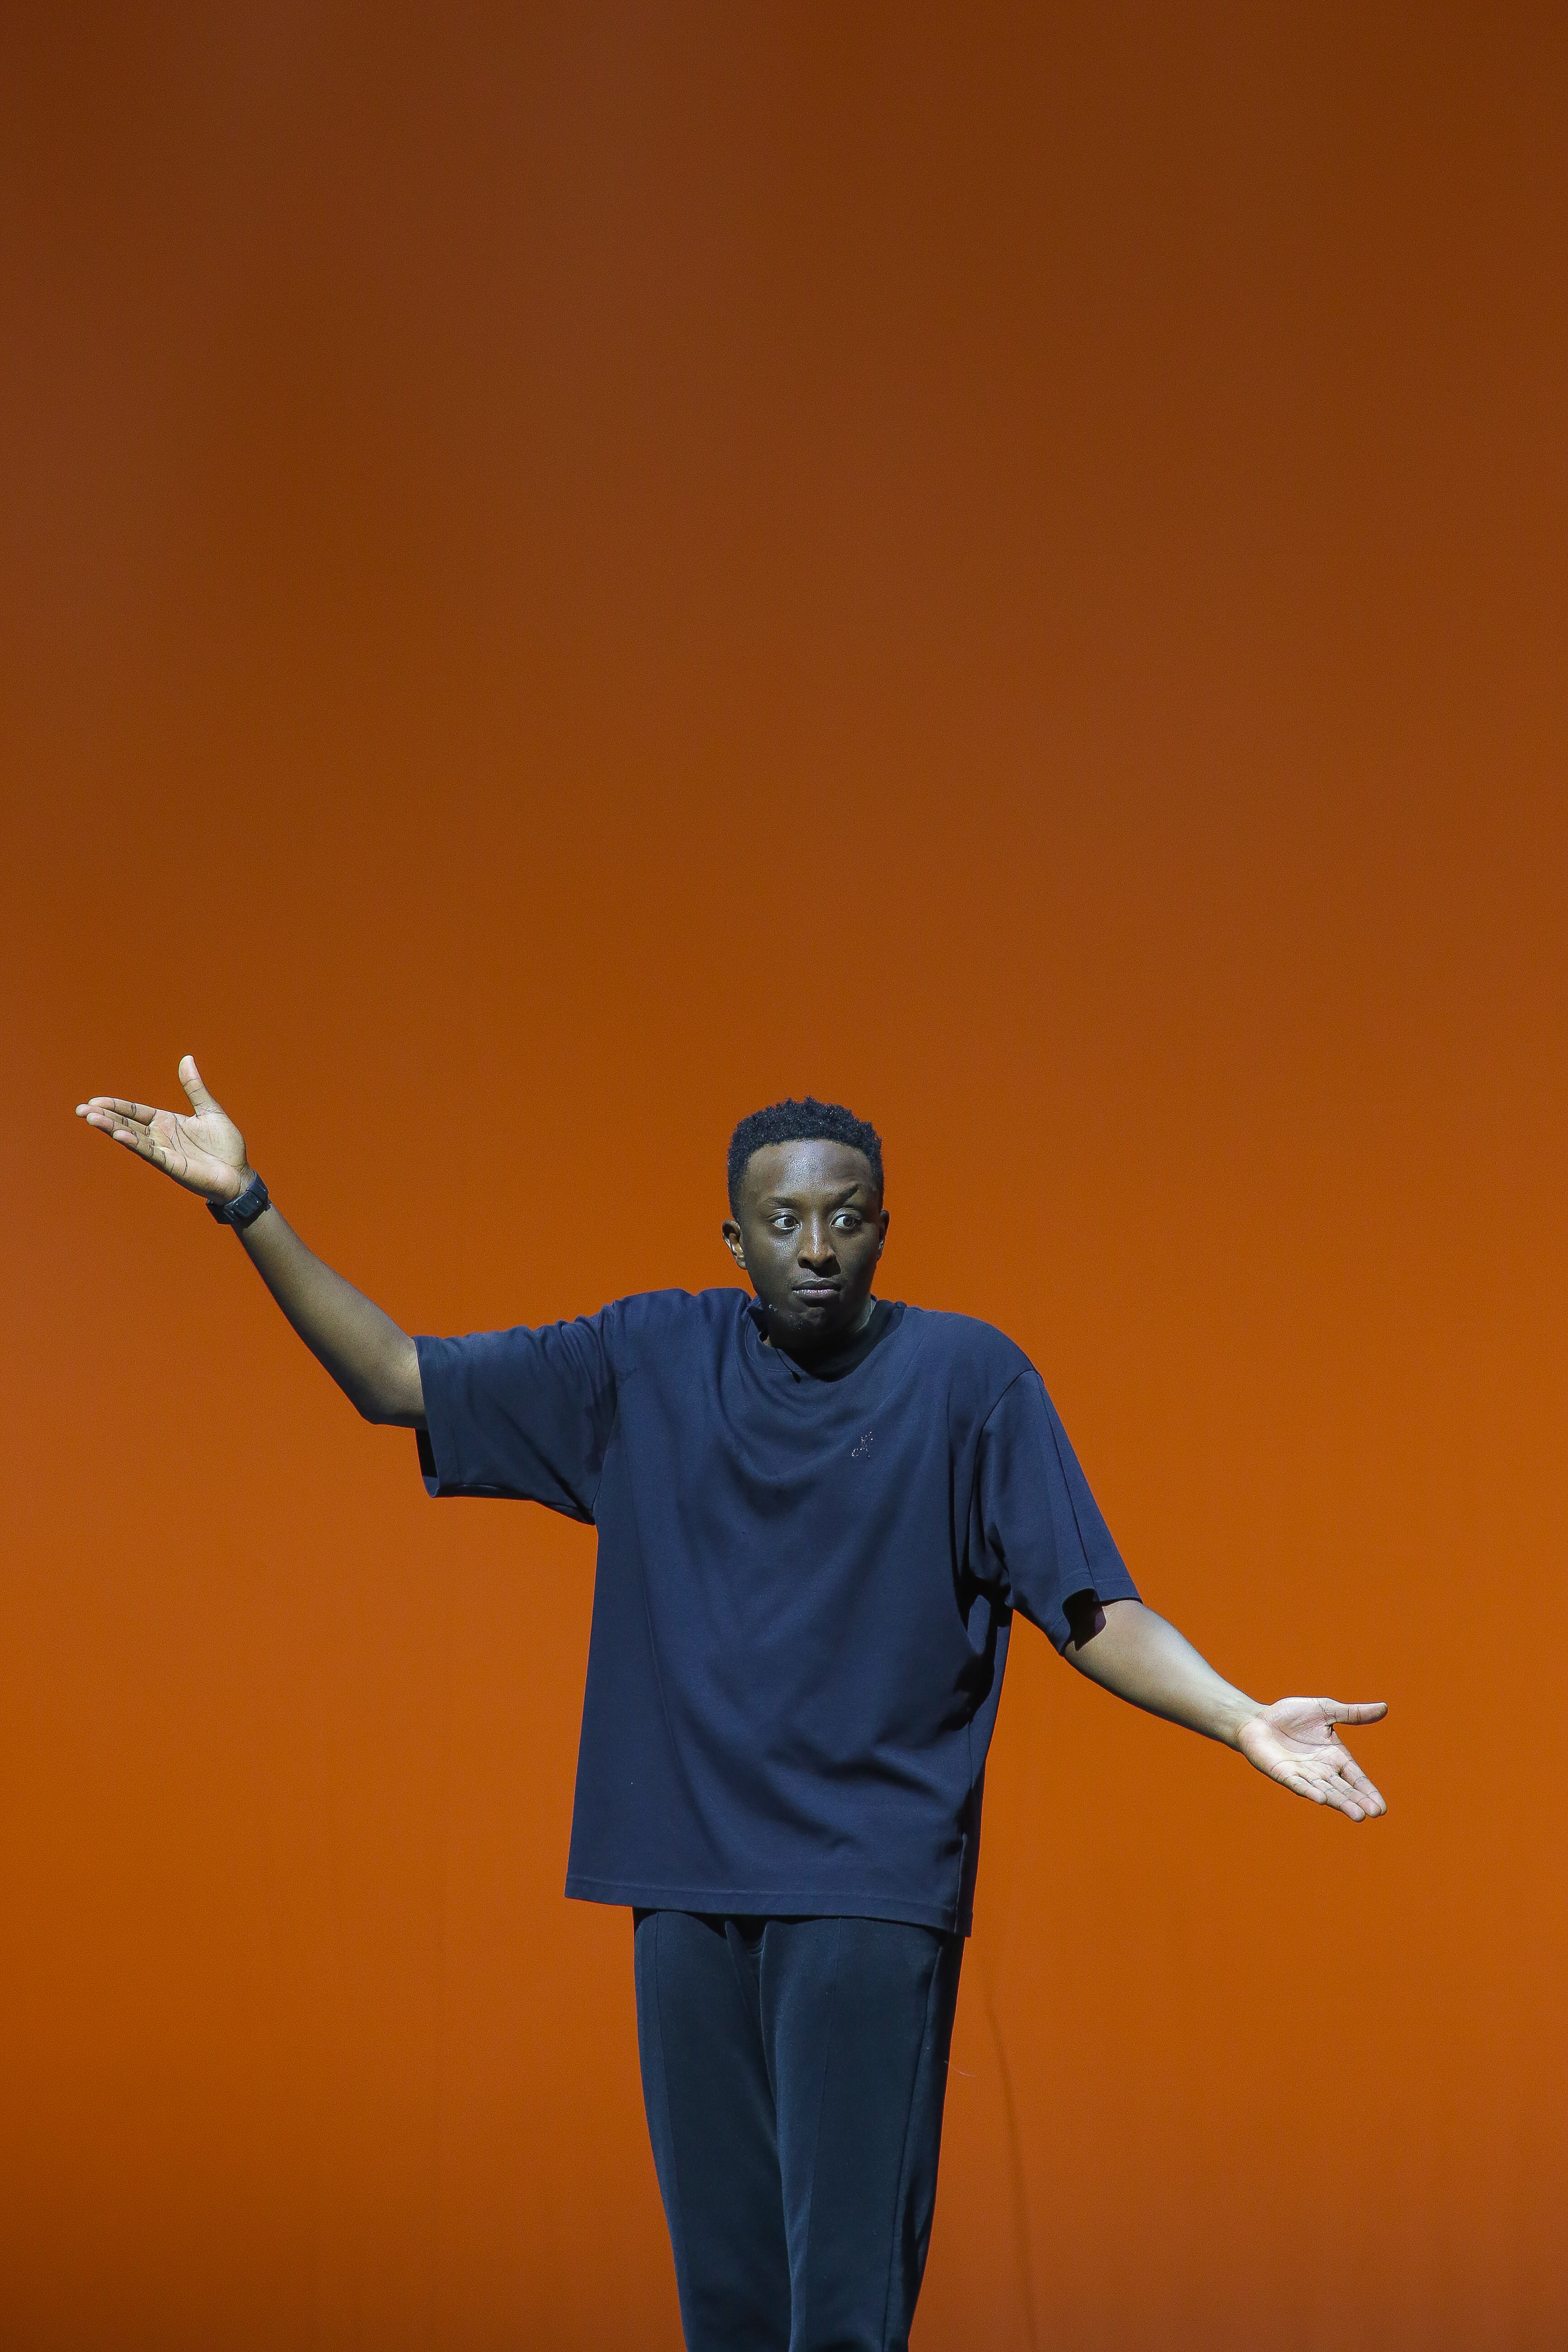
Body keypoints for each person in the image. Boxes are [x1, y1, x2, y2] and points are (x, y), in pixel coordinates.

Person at [77, 1060, 1387, 2352]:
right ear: (732, 1237)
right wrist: (247, 1205)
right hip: (686, 1886)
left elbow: (1089, 1606)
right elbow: (395, 1379)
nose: (815, 1248)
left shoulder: (965, 1378)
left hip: (865, 1886)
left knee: (843, 2311)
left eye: (845, 1217)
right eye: (783, 1220)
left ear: (883, 1226)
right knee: (730, 2309)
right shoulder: (646, 1358)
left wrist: (1237, 1715)